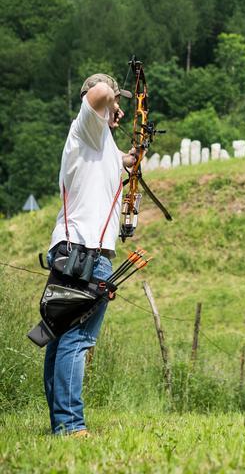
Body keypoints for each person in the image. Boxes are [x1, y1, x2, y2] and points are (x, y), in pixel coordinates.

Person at [44, 73, 136, 437]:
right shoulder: (86, 126)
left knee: (62, 335)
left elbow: (121, 159)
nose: (119, 112)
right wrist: (111, 98)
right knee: (77, 338)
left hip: (75, 249)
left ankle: (61, 421)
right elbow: (97, 91)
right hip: (85, 253)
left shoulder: (100, 144)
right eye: (115, 106)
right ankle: (69, 425)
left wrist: (131, 156)